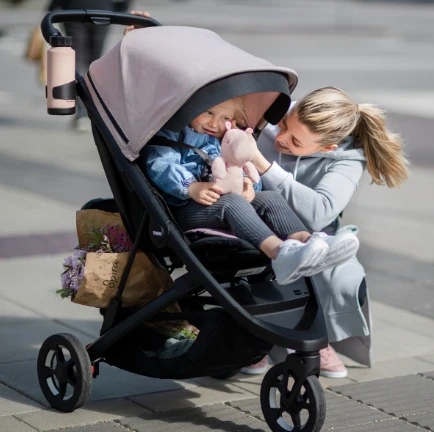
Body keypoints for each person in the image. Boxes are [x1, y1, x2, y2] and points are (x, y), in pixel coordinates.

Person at [240, 86, 409, 377]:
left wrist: (263, 164)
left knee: (335, 272)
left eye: (295, 141)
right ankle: (256, 337)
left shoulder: (348, 158)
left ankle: (318, 333)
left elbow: (319, 213)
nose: (280, 138)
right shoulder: (269, 115)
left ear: (327, 148)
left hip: (312, 232)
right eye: (285, 124)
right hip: (257, 219)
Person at [142, 97, 360, 285]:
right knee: (233, 203)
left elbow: (237, 165)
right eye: (208, 112)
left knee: (270, 197)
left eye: (225, 118)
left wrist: (248, 185)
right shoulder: (171, 133)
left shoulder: (221, 138)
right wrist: (189, 186)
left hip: (217, 204)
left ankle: (307, 241)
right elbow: (159, 165)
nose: (214, 123)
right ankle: (279, 254)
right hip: (183, 209)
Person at [47, 0, 132, 131]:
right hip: (102, 11)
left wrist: (54, 6)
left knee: (76, 61)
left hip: (74, 10)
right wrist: (120, 8)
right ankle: (94, 111)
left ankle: (82, 112)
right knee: (95, 63)